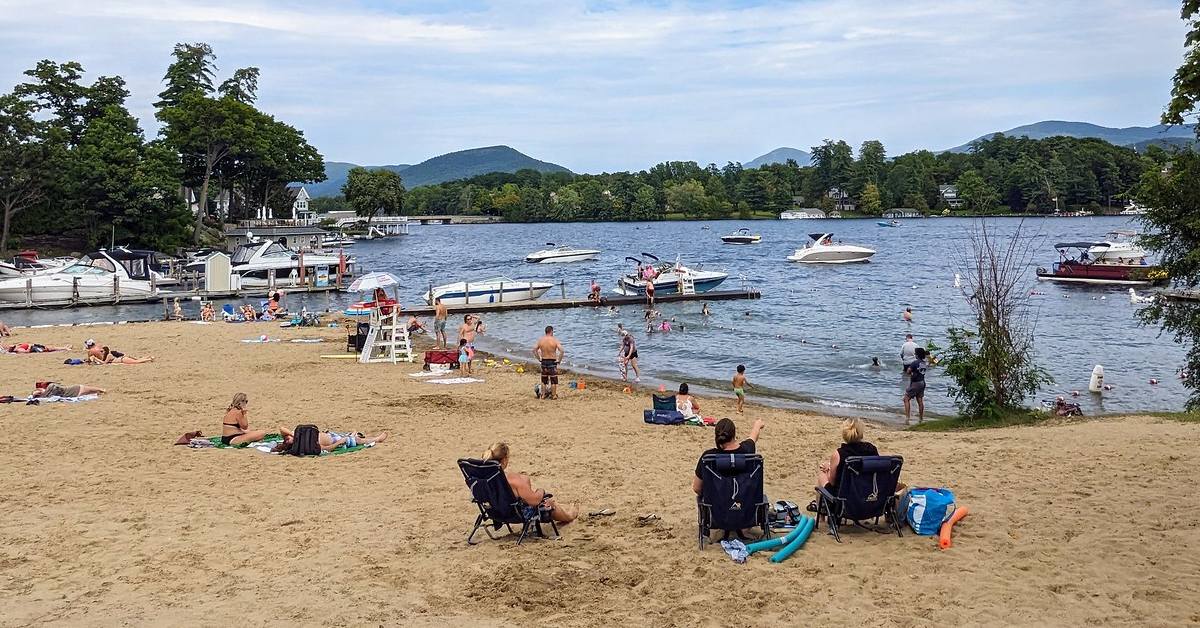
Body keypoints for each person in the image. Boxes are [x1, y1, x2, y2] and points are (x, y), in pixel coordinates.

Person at [481, 442, 579, 524]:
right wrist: (541, 491)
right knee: (549, 502)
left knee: (524, 483)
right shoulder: (512, 480)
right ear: (504, 460)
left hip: (494, 512)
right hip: (516, 515)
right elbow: (534, 501)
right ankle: (569, 516)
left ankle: (564, 510)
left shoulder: (481, 478)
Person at [692, 417, 764, 495]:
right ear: (734, 435)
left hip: (716, 501)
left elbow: (697, 488)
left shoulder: (708, 457)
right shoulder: (747, 450)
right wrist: (757, 425)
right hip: (744, 501)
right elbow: (753, 436)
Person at [815, 418, 879, 492]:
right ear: (861, 434)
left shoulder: (839, 454)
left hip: (844, 494)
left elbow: (832, 482)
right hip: (867, 492)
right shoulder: (872, 449)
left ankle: (820, 499)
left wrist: (828, 469)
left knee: (822, 474)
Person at [278, 425, 388, 451]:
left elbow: (282, 428)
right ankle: (377, 439)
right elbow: (326, 448)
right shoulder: (306, 446)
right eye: (287, 441)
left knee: (348, 436)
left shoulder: (296, 434)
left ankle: (352, 434)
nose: (287, 438)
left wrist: (294, 435)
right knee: (356, 440)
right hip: (334, 440)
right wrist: (340, 442)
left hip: (331, 434)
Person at [533, 325, 564, 400]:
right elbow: (562, 350)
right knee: (553, 380)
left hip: (544, 361)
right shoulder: (554, 340)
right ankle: (553, 395)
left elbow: (534, 350)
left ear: (545, 332)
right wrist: (559, 360)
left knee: (544, 380)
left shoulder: (541, 340)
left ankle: (543, 395)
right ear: (551, 331)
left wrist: (539, 358)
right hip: (552, 361)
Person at [903, 347, 929, 424]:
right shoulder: (924, 363)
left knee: (906, 399)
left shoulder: (915, 362)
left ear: (917, 354)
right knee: (920, 400)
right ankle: (921, 419)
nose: (914, 354)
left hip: (915, 383)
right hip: (922, 382)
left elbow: (908, 371)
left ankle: (907, 418)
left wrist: (911, 373)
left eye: (915, 353)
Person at [85, 339, 154, 364]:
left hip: (122, 359)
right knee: (137, 360)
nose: (101, 352)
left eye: (102, 351)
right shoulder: (108, 355)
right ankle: (148, 357)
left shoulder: (109, 355)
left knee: (137, 362)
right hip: (122, 359)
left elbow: (104, 363)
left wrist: (95, 358)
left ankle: (149, 359)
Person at [31, 381, 105, 398]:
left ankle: (101, 390)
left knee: (93, 391)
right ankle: (101, 390)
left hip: (71, 391)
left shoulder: (45, 394)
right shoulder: (46, 392)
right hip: (72, 390)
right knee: (93, 390)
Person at [4, 342, 71, 353]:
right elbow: (27, 351)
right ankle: (64, 349)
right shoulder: (19, 350)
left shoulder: (17, 347)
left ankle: (64, 348)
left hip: (34, 346)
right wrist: (30, 346)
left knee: (49, 347)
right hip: (34, 348)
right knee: (48, 349)